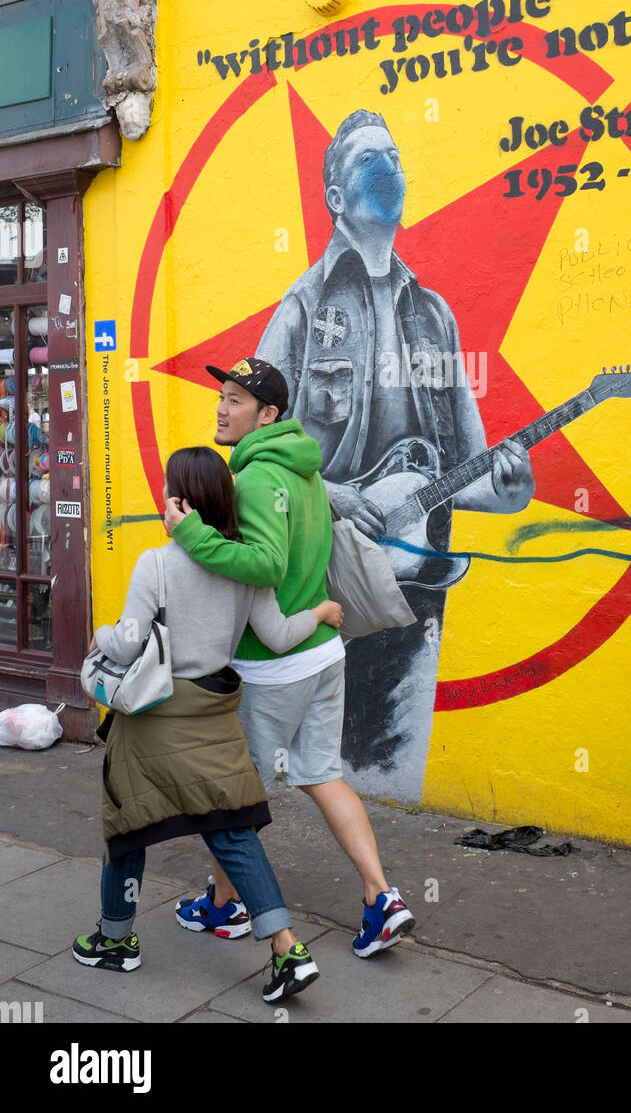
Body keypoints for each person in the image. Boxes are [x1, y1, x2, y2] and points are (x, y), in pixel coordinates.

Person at [256, 109, 535, 799]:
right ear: (335, 196)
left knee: (395, 778)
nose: (387, 169)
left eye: (396, 156)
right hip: (324, 580)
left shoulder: (435, 316)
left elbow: (464, 469)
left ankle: (375, 880)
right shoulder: (301, 308)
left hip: (418, 587)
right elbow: (253, 453)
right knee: (317, 763)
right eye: (367, 160)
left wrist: (510, 488)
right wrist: (332, 495)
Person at [165, 356, 415, 958]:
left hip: (272, 664)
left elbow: (267, 566)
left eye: (235, 400)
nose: (221, 409)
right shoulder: (305, 471)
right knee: (322, 776)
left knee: (235, 795)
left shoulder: (254, 479)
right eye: (221, 396)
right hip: (322, 651)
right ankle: (382, 899)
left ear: (267, 414)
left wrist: (190, 534)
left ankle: (227, 909)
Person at [74, 445, 344, 1002]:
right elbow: (276, 637)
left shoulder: (156, 563)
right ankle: (287, 949)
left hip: (155, 719)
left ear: (179, 500)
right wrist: (319, 613)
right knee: (233, 831)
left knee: (129, 825)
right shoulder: (243, 566)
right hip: (215, 714)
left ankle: (116, 939)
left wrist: (99, 636)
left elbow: (127, 642)